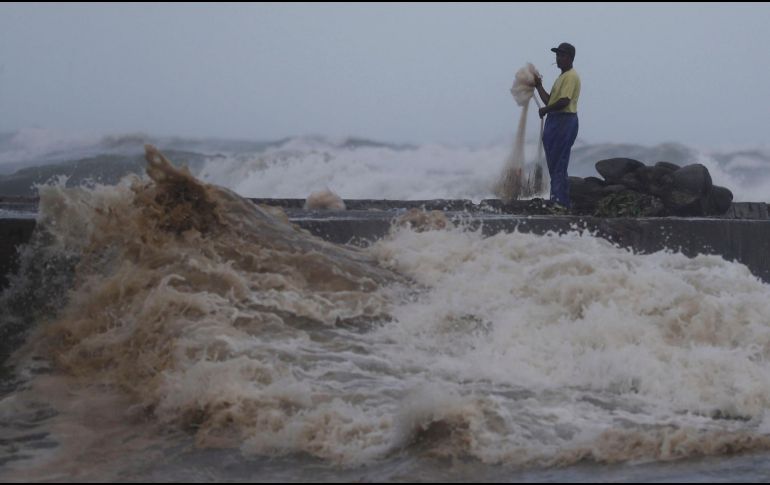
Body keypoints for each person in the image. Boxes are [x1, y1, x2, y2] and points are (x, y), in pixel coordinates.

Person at [533, 42, 581, 208]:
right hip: (555, 121)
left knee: (559, 163)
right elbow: (549, 100)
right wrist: (538, 86)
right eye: (557, 55)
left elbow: (564, 101)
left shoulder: (571, 77)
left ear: (570, 58)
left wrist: (546, 110)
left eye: (561, 55)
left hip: (564, 121)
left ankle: (560, 202)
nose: (558, 59)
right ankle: (558, 200)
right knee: (554, 164)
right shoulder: (561, 78)